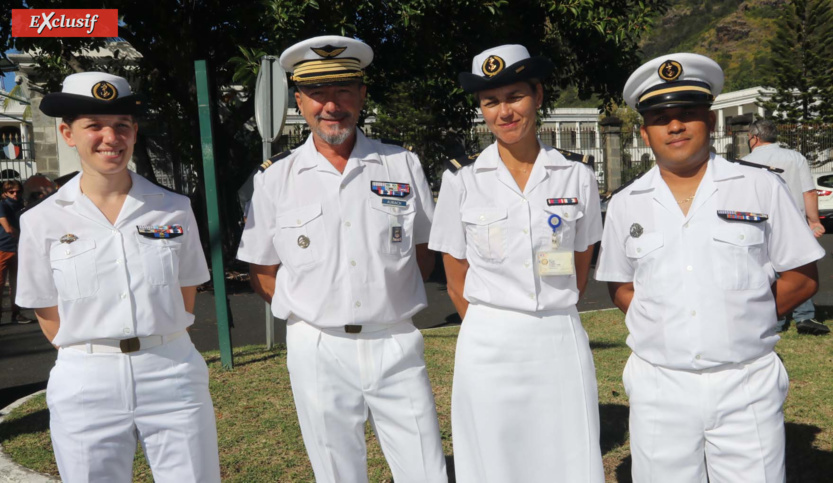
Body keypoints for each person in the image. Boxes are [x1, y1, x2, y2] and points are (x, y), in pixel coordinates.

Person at [595, 53, 824, 482]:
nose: (675, 126)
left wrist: (741, 318)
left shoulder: (761, 187)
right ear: (646, 133)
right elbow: (621, 286)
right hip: (660, 383)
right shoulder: (626, 204)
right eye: (661, 118)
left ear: (712, 122)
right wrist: (668, 324)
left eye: (687, 114)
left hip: (745, 381)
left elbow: (802, 277)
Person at [237, 36, 447, 483]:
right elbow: (263, 270)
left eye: (344, 91)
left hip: (394, 339)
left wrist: (384, 297)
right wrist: (310, 315)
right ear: (299, 100)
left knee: (425, 469)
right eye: (317, 93)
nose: (331, 105)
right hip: (318, 346)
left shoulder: (402, 165)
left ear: (362, 95)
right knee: (337, 473)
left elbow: (424, 252)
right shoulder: (276, 179)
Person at [15, 72, 221, 482]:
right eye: (94, 125)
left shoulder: (174, 208)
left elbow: (186, 291)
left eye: (122, 125)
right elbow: (45, 307)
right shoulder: (42, 220)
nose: (110, 137)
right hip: (87, 379)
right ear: (68, 133)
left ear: (134, 131)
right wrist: (91, 347)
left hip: (171, 369)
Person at [428, 45, 604, 483]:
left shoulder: (576, 175)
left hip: (558, 334)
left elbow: (580, 267)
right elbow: (455, 279)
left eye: (514, 96)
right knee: (493, 457)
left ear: (538, 95)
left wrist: (544, 313)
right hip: (488, 341)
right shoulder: (461, 179)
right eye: (491, 102)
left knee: (569, 455)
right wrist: (495, 324)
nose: (504, 112)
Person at [744, 119, 829, 335]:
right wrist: (814, 220)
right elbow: (809, 191)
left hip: (759, 220)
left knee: (767, 269)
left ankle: (775, 317)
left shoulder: (744, 162)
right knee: (798, 266)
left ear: (754, 137)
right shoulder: (795, 157)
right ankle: (804, 316)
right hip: (794, 220)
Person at [0, 180, 32, 323]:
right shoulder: (2, 205)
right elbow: (7, 228)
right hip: (3, 248)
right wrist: (24, 237)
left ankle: (16, 313)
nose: (15, 194)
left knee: (17, 284)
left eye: (18, 191)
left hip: (18, 249)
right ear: (5, 193)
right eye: (11, 192)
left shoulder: (20, 206)